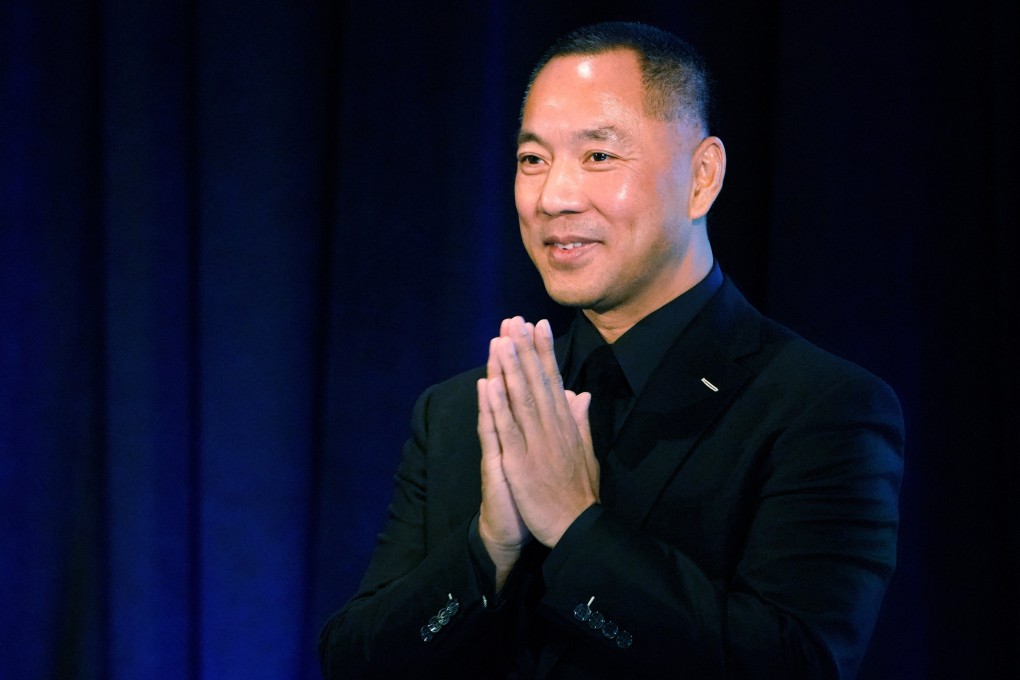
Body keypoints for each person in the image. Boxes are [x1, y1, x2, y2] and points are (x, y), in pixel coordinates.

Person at [317, 21, 903, 680]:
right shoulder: (459, 412)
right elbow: (353, 662)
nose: (554, 198)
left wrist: (574, 527)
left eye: (598, 156)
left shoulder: (819, 409)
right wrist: (489, 548)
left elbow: (796, 666)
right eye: (532, 159)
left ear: (702, 177)